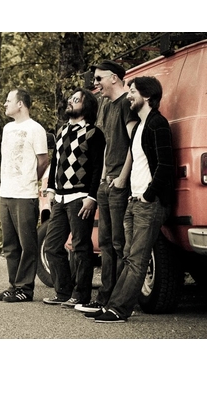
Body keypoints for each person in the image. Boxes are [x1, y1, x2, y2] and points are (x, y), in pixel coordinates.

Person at [85, 76, 174, 322]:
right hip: (134, 201)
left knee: (137, 258)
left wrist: (148, 195)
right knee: (128, 256)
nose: (129, 96)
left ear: (147, 96)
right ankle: (113, 305)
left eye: (133, 91)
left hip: (149, 203)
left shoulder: (158, 124)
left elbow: (166, 165)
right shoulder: (139, 128)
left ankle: (119, 309)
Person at [75, 60, 139, 313]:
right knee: (105, 244)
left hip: (121, 184)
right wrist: (103, 177)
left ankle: (118, 301)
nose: (96, 84)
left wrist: (122, 178)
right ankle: (104, 299)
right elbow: (107, 145)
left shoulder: (126, 104)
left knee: (119, 244)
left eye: (99, 78)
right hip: (106, 182)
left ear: (114, 78)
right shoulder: (106, 105)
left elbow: (135, 143)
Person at [42, 88, 105, 307]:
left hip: (80, 198)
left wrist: (92, 197)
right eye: (71, 99)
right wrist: (51, 189)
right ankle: (63, 292)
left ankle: (81, 295)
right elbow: (55, 162)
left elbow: (98, 168)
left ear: (86, 106)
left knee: (80, 248)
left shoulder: (94, 133)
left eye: (76, 100)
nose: (70, 102)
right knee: (52, 246)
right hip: (60, 198)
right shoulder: (61, 131)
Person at [0, 88, 49, 303]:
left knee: (27, 243)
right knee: (10, 244)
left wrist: (30, 180)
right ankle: (13, 286)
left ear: (20, 104)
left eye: (8, 100)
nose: (5, 104)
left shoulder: (36, 129)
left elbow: (43, 161)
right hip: (6, 192)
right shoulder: (7, 129)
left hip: (25, 194)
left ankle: (25, 288)